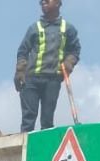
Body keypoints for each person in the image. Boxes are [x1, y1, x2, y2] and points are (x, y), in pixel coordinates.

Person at [15, 0, 81, 133]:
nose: (43, 2)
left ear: (58, 3)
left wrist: (68, 63)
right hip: (31, 79)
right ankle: (27, 149)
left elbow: (75, 50)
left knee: (47, 121)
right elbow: (23, 51)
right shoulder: (34, 28)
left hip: (52, 80)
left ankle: (45, 150)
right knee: (28, 118)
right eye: (41, 1)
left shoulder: (68, 29)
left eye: (47, 0)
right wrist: (20, 71)